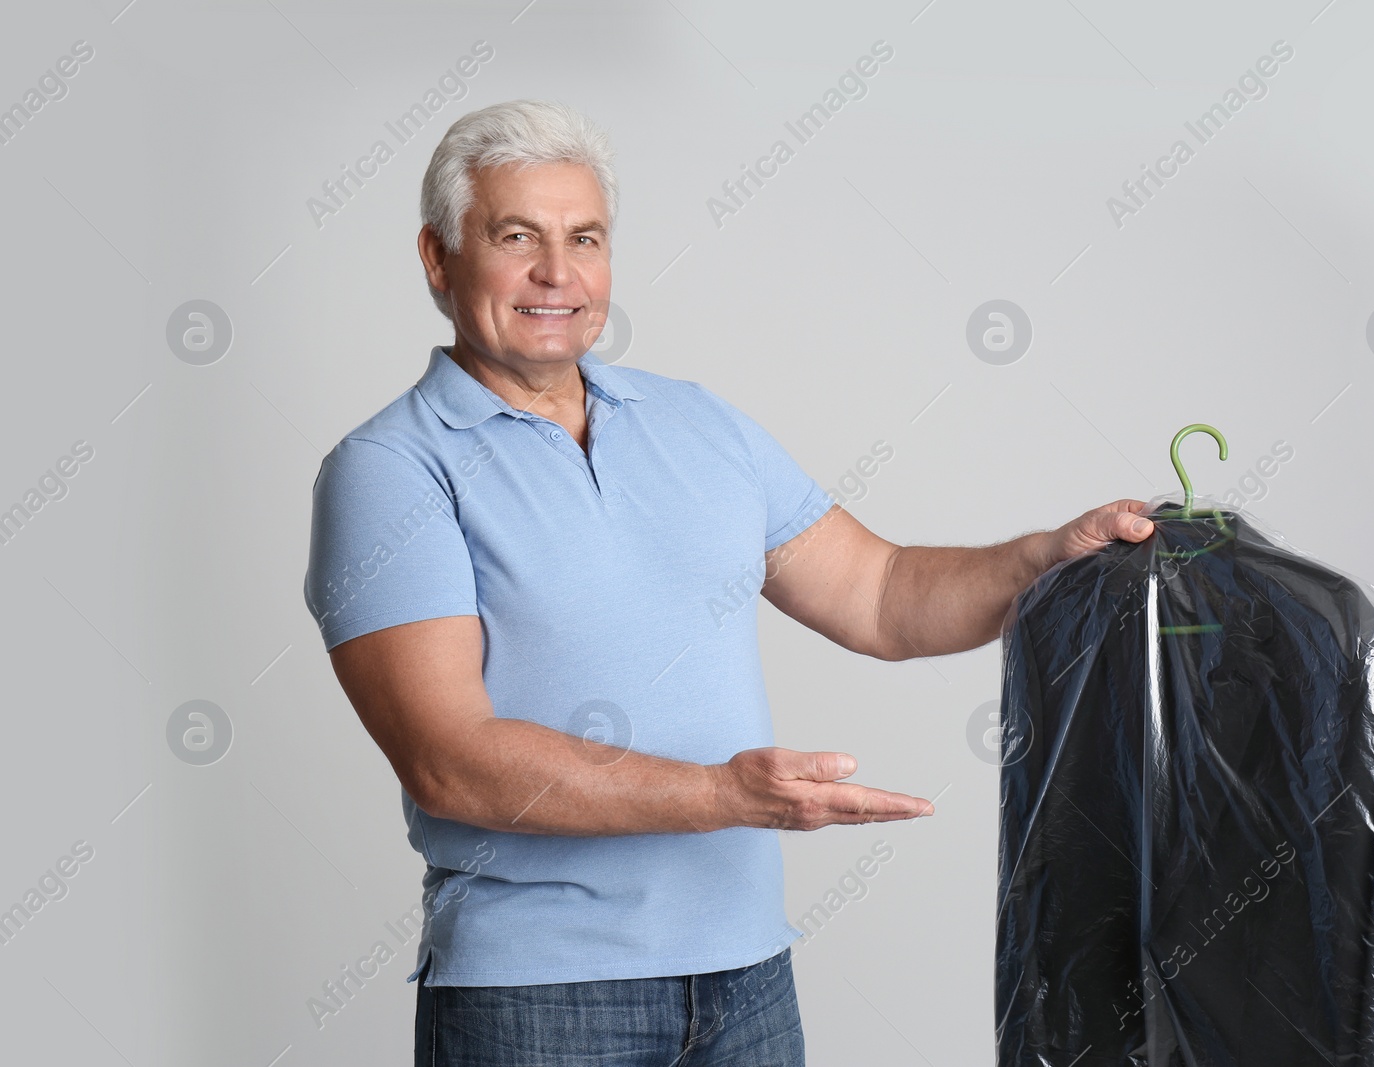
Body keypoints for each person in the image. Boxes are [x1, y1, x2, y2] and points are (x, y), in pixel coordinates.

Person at [302, 98, 1154, 1067]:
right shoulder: (391, 469)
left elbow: (879, 593)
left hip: (746, 977)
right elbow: (450, 759)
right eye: (515, 236)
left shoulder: (694, 423)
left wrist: (1044, 558)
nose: (557, 273)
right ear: (437, 257)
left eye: (585, 238)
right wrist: (723, 794)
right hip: (535, 998)